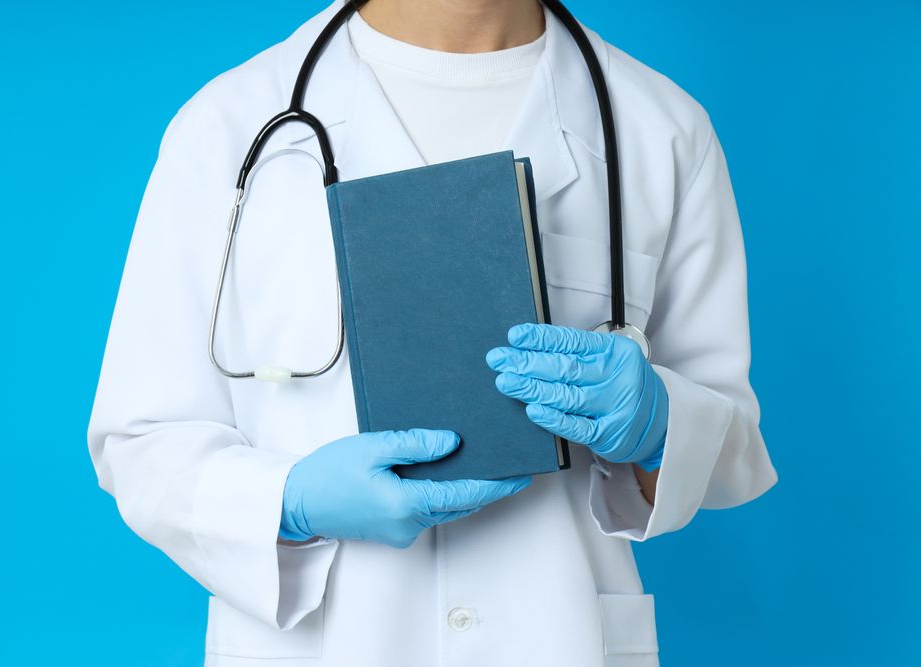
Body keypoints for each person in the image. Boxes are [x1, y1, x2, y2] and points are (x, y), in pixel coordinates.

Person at [87, 0, 778, 665]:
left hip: (556, 636)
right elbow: (143, 440)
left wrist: (659, 427)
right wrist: (289, 502)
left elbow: (732, 442)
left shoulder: (660, 130)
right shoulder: (228, 125)